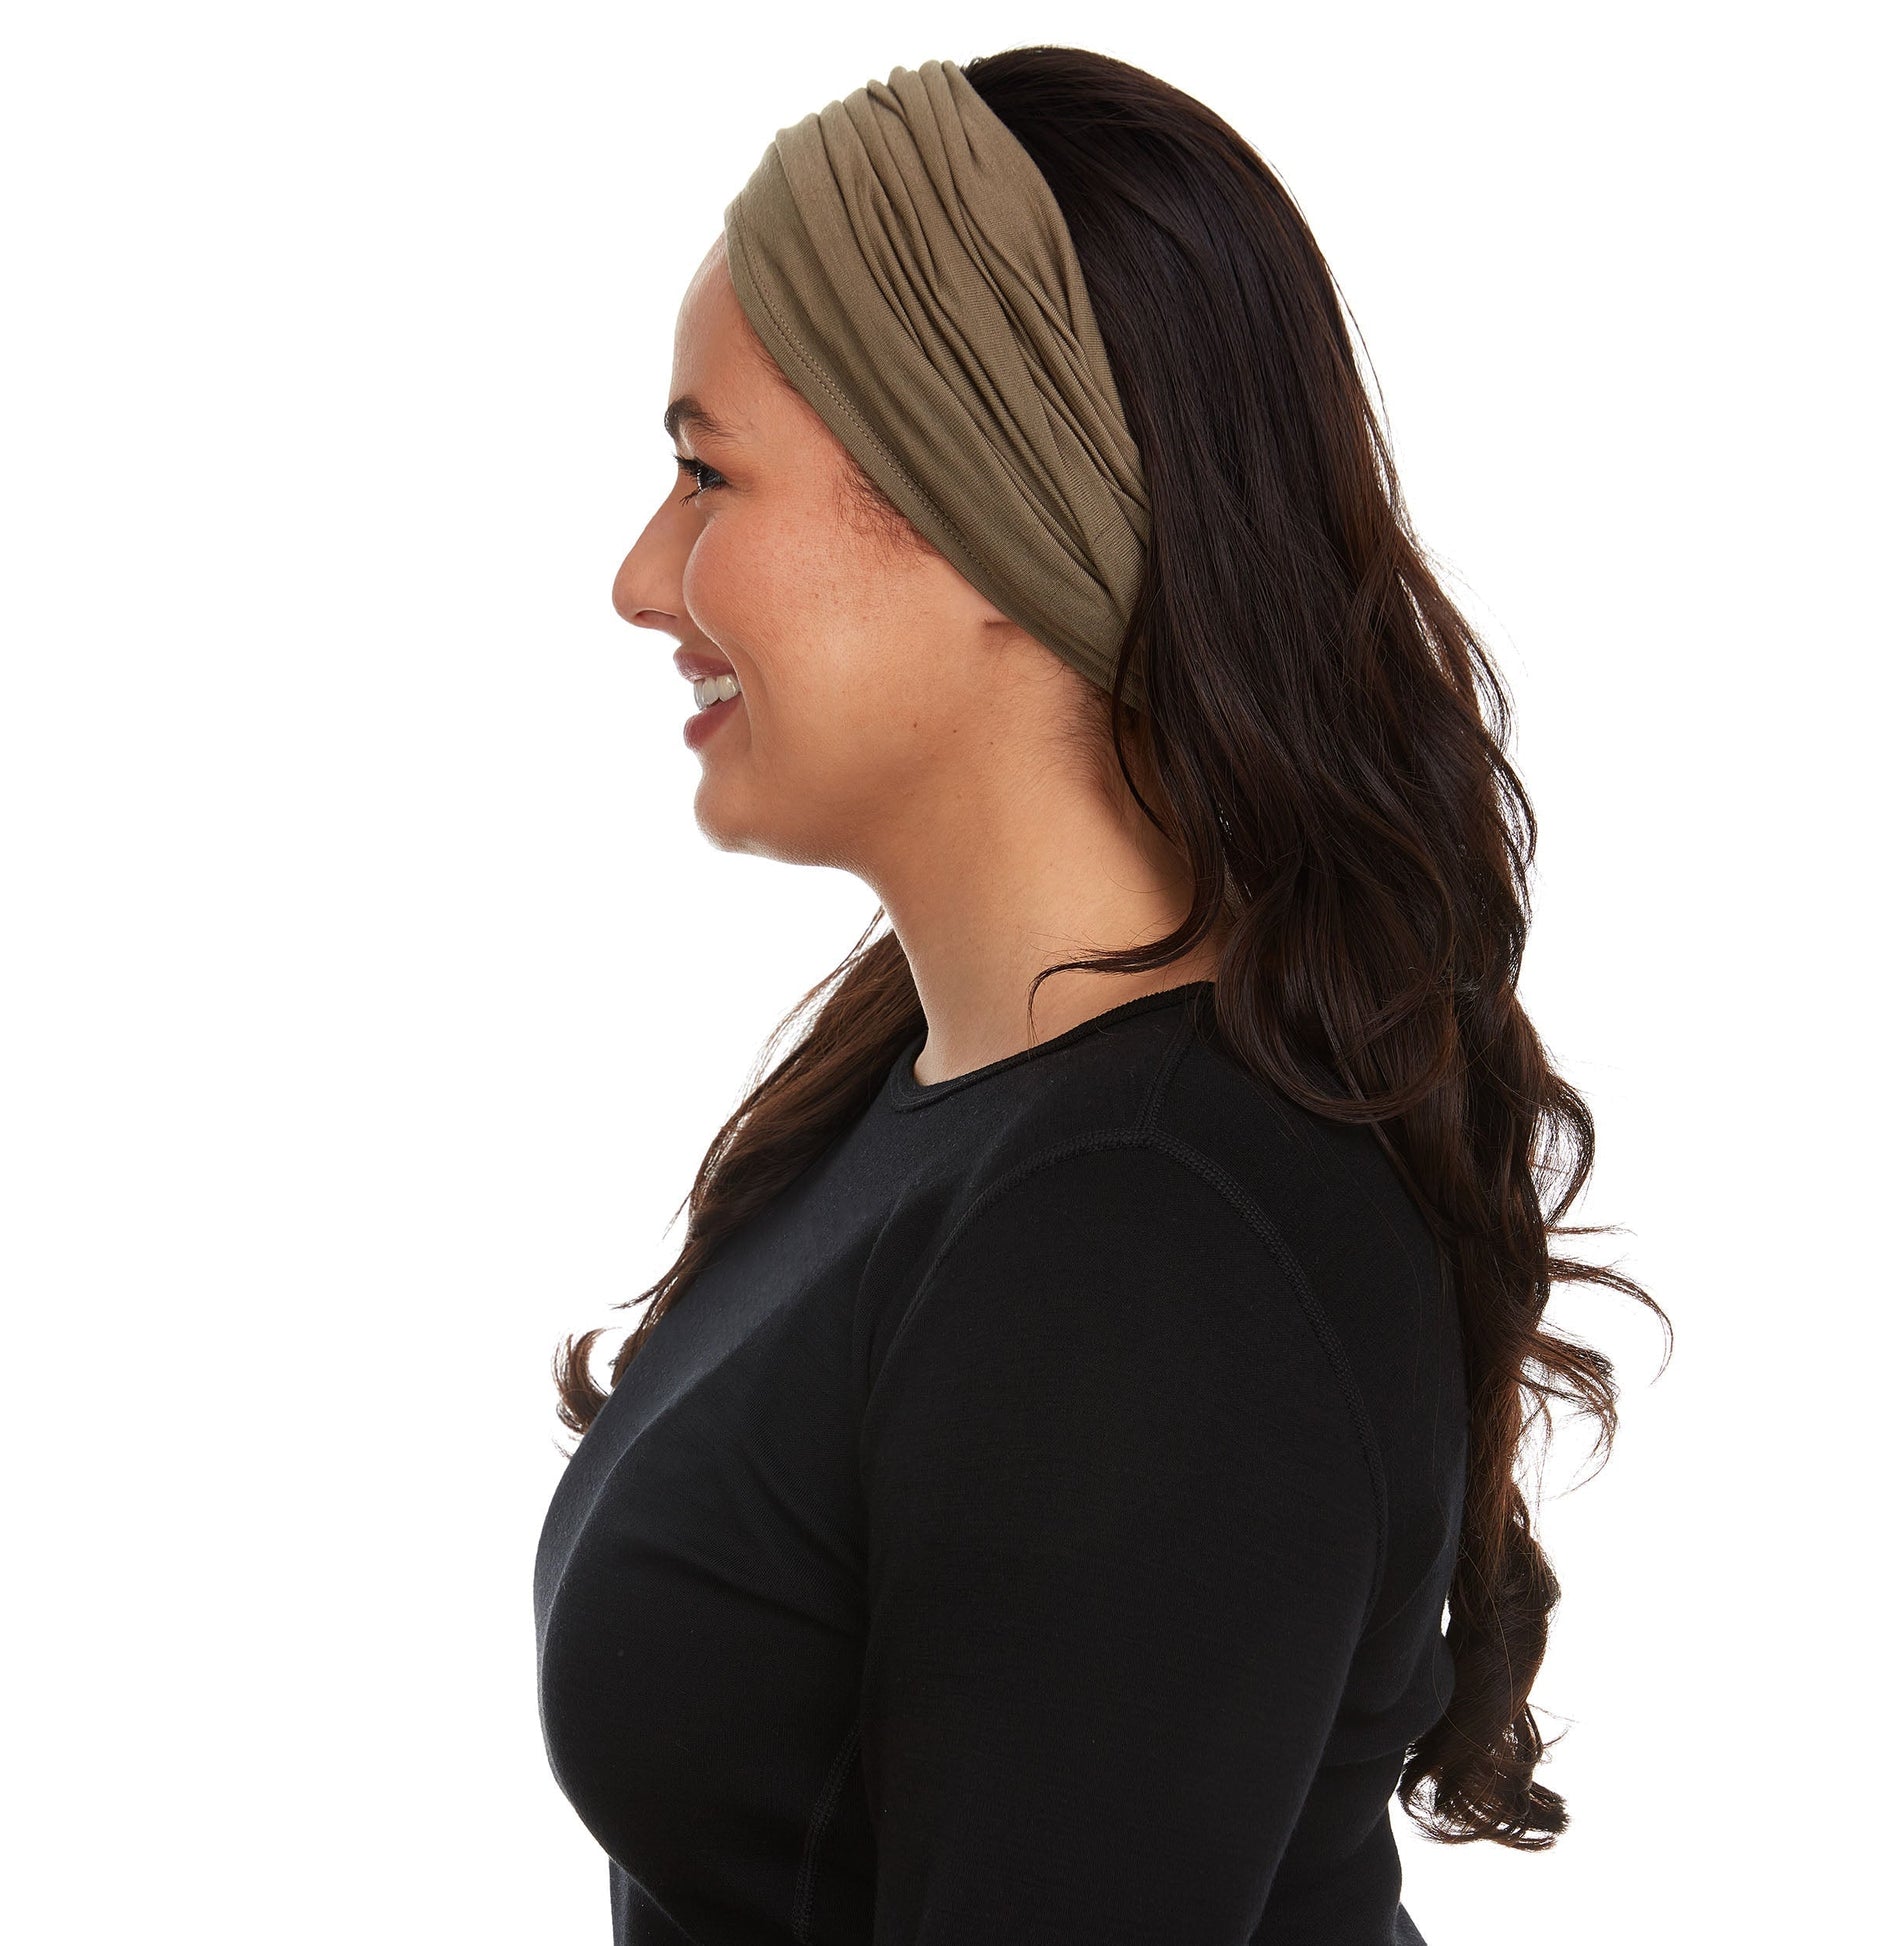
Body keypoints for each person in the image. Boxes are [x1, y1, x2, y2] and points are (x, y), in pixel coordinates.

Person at [533, 46, 1664, 1946]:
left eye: (705, 471)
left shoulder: (1141, 1239)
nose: (641, 577)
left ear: (982, 511)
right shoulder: (940, 1089)